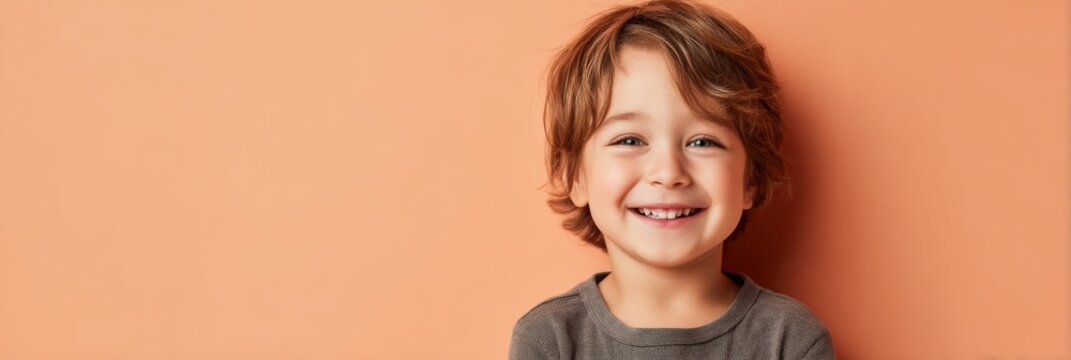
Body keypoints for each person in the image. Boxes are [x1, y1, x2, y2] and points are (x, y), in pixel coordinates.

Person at [509, 0, 835, 358]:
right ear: (574, 175)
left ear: (750, 181)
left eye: (702, 141)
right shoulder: (549, 338)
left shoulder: (791, 340)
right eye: (630, 140)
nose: (668, 174)